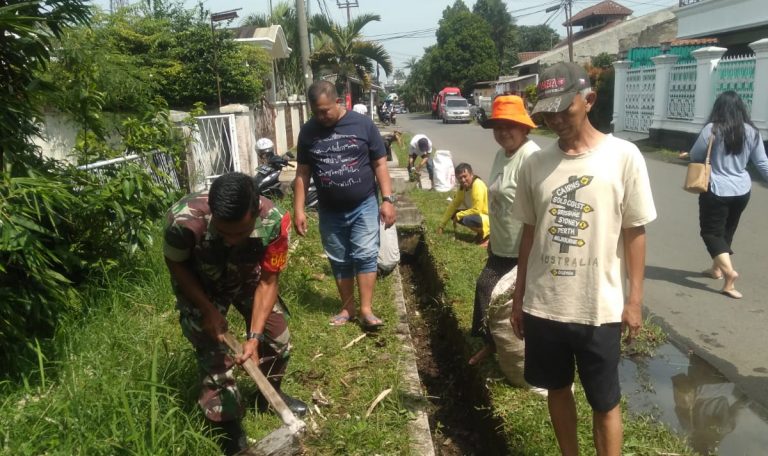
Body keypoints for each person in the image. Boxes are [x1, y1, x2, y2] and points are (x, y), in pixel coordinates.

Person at [510, 62, 657, 456]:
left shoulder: (623, 157)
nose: (555, 119)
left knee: (604, 401)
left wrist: (634, 300)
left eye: (565, 109)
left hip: (599, 308)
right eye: (548, 112)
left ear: (589, 100)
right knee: (557, 388)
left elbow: (635, 231)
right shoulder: (534, 163)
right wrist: (519, 296)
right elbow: (529, 233)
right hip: (546, 304)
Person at [163, 172, 307, 456]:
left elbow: (268, 280)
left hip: (249, 280)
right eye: (223, 231)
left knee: (277, 339)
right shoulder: (182, 221)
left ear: (255, 211)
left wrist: (253, 337)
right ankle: (227, 424)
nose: (230, 240)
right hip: (201, 286)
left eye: (240, 233)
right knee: (216, 355)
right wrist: (207, 310)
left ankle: (269, 394)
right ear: (213, 212)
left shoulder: (275, 221)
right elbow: (177, 265)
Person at [294, 80, 396, 329]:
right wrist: (298, 209)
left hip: (364, 204)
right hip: (329, 210)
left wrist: (387, 199)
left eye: (325, 110)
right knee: (339, 258)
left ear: (337, 102)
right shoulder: (308, 131)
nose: (321, 116)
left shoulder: (362, 124)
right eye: (316, 111)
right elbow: (303, 173)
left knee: (365, 254)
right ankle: (347, 308)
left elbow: (380, 163)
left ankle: (366, 310)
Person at [468, 95, 540, 366]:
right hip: (500, 243)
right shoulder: (502, 154)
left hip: (522, 248)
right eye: (498, 127)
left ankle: (514, 350)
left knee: (501, 296)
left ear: (524, 127)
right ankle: (494, 343)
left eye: (509, 125)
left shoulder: (531, 157)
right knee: (487, 291)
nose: (503, 132)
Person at [689, 90, 768, 299]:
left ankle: (729, 275)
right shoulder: (752, 132)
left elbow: (696, 154)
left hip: (717, 188)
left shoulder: (712, 129)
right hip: (742, 190)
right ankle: (716, 269)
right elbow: (761, 162)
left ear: (719, 108)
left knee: (711, 233)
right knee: (727, 230)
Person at [436, 163, 490, 245]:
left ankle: (488, 236)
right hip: (479, 215)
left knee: (466, 219)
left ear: (472, 174)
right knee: (454, 214)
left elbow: (477, 210)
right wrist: (442, 225)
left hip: (489, 218)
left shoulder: (477, 184)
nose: (463, 180)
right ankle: (480, 233)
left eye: (465, 176)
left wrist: (460, 214)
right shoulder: (462, 188)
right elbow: (453, 205)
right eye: (460, 178)